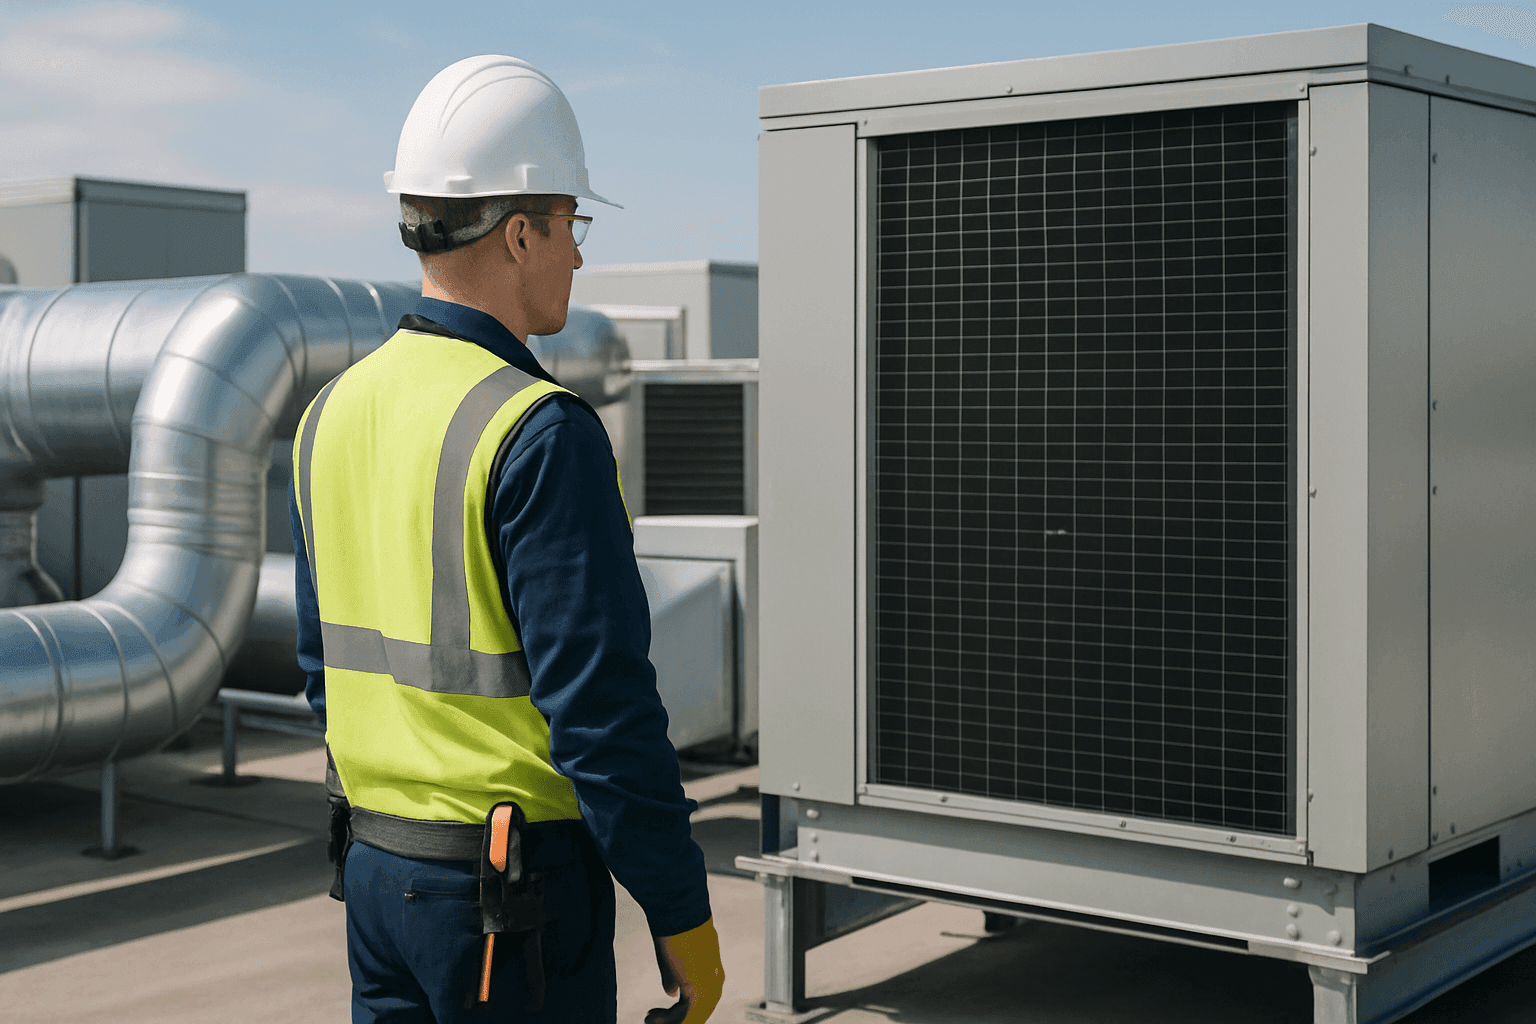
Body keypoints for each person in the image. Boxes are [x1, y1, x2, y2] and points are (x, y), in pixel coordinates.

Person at [289, 54, 724, 1023]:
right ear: (522, 232)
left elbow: (325, 670)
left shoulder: (327, 416)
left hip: (375, 878)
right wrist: (680, 909)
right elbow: (603, 713)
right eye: (575, 225)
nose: (578, 253)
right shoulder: (538, 431)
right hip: (511, 906)